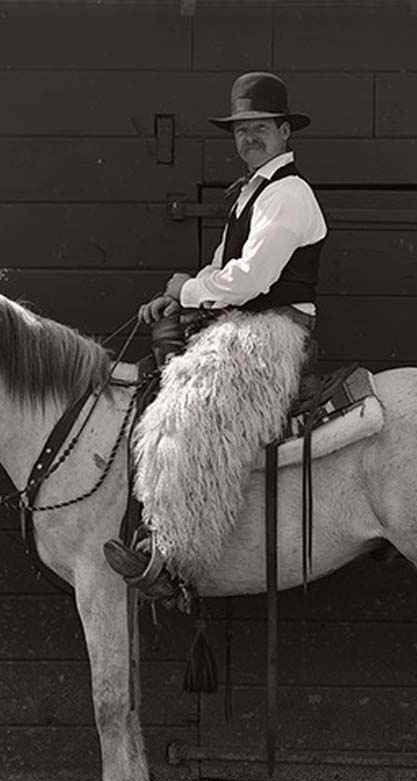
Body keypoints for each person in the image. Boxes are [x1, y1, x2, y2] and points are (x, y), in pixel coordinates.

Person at [105, 71, 328, 599]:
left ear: (284, 133)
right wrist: (180, 294)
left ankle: (176, 558)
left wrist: (187, 292)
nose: (248, 138)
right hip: (242, 321)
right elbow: (221, 273)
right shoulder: (250, 192)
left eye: (260, 128)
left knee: (183, 413)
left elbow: (252, 280)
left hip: (271, 331)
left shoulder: (288, 193)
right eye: (240, 129)